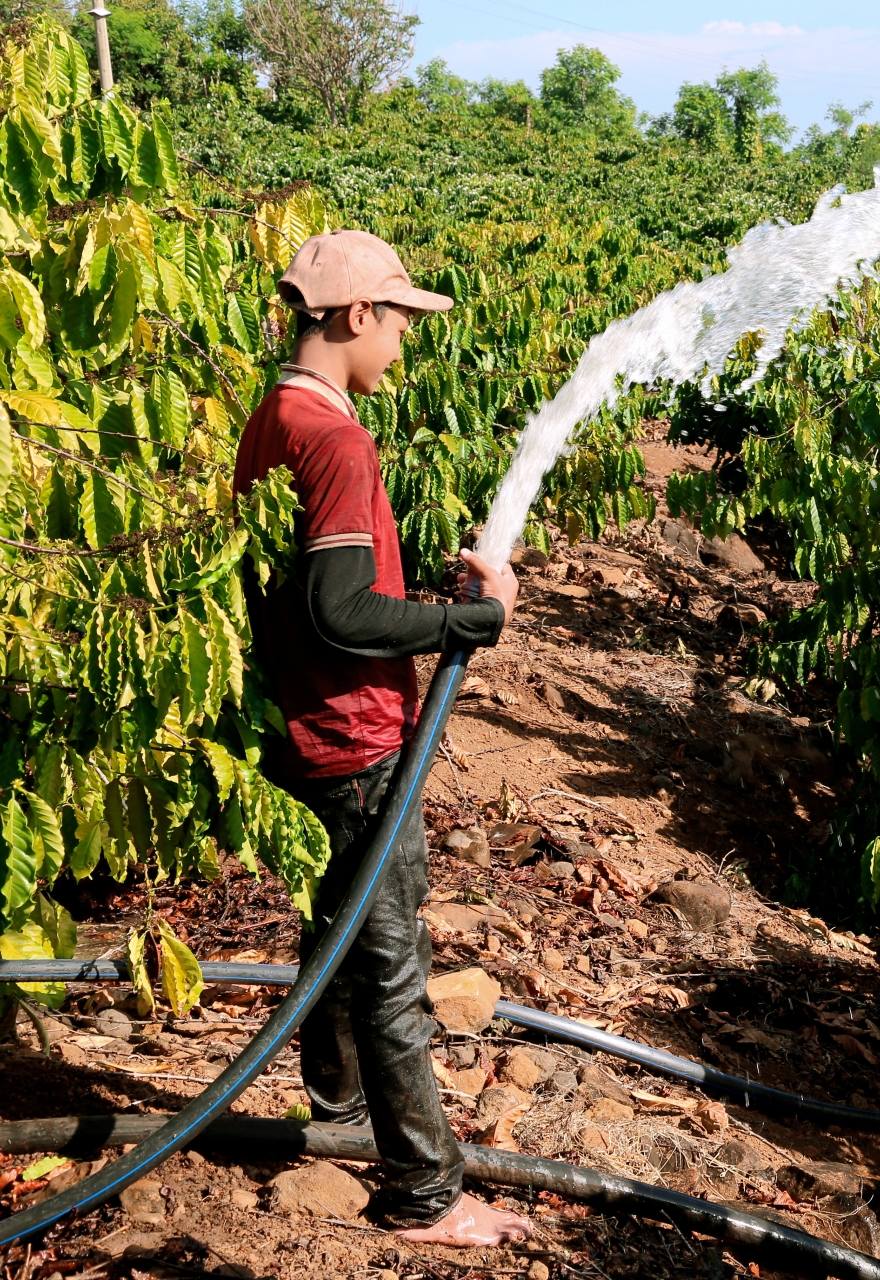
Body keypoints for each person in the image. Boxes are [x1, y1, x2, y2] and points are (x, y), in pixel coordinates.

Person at [233, 230, 533, 1248]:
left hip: (301, 728)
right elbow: (340, 610)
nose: (404, 342)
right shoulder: (339, 440)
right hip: (356, 736)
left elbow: (322, 594)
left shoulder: (273, 415)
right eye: (400, 320)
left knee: (335, 936)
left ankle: (341, 1114)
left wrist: (431, 602)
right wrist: (466, 624)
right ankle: (424, 1193)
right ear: (357, 316)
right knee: (393, 964)